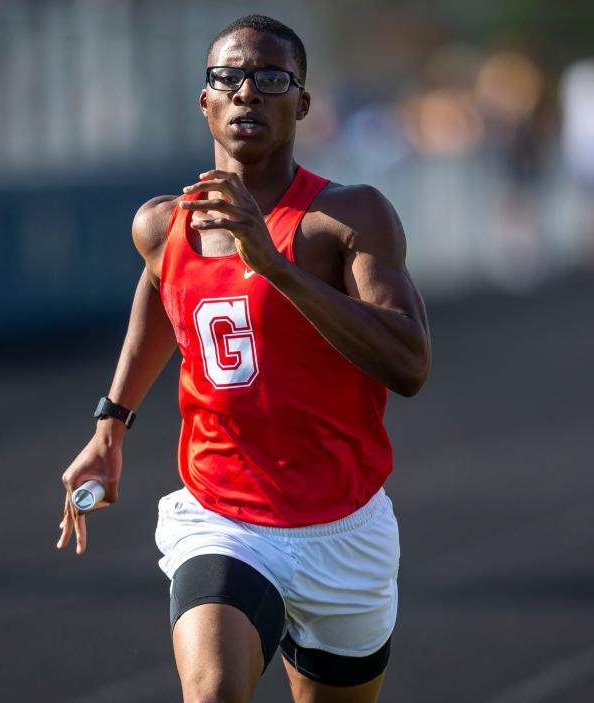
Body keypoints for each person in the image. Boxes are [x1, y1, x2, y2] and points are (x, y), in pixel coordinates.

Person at [57, 14, 431, 703]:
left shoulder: (347, 218)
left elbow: (409, 363)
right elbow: (162, 296)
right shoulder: (162, 224)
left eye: (271, 79)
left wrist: (277, 268)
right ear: (205, 100)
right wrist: (110, 425)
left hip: (342, 527)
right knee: (214, 690)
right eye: (228, 78)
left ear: (302, 104)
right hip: (224, 517)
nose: (247, 93)